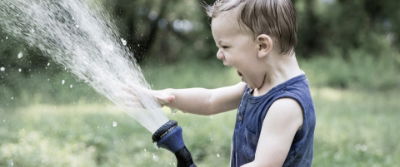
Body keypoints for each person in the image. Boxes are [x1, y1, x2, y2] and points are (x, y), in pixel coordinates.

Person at [152, 0, 315, 166]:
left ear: (262, 45)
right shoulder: (259, 87)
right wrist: (165, 96)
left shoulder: (285, 105)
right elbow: (210, 100)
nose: (219, 55)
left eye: (225, 46)